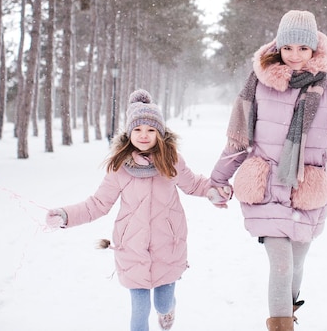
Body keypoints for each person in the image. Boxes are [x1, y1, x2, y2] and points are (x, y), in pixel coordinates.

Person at [208, 10, 327, 331]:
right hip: (265, 189)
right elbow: (238, 140)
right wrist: (218, 180)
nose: (295, 56)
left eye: (303, 48)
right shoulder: (259, 84)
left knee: (295, 265)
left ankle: (288, 311)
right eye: (288, 47)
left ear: (314, 50)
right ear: (279, 46)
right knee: (281, 264)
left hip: (305, 192)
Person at [46, 89, 229, 331]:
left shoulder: (171, 161)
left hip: (168, 247)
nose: (144, 135)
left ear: (160, 133)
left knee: (163, 303)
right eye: (138, 130)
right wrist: (66, 215)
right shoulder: (119, 167)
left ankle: (168, 310)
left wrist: (213, 191)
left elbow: (194, 183)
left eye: (151, 130)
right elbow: (98, 204)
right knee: (139, 312)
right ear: (129, 133)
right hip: (132, 249)